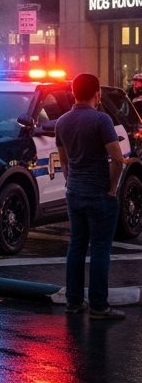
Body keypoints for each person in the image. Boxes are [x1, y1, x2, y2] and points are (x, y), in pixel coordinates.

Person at [55, 72, 126, 319]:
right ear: (97, 94)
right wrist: (111, 189)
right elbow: (117, 159)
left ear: (74, 93)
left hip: (74, 192)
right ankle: (99, 306)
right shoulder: (101, 120)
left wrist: (71, 183)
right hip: (98, 194)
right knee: (99, 249)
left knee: (76, 247)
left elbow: (63, 163)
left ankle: (73, 302)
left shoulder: (62, 122)